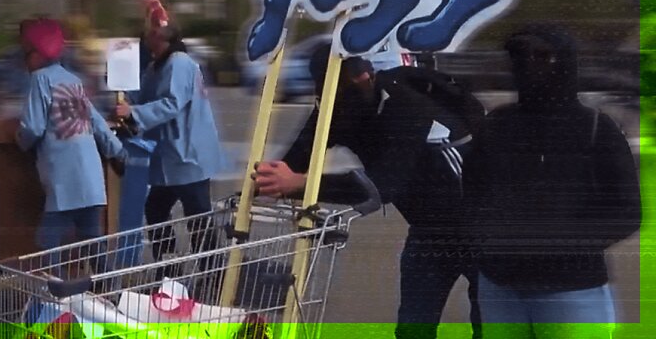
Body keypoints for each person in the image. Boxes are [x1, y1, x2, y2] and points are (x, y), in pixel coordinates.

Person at [255, 43, 486, 339]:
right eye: (348, 80)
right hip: (427, 231)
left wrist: (298, 184)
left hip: (478, 230)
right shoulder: (334, 108)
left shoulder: (406, 105)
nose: (363, 79)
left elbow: (380, 187)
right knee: (413, 329)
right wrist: (267, 178)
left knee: (488, 324)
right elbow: (297, 159)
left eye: (363, 74)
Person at [467, 27, 640, 339]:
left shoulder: (597, 128)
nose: (529, 64)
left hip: (572, 288)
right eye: (520, 56)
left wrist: (553, 244)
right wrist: (488, 241)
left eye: (542, 56)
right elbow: (473, 194)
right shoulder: (495, 125)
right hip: (500, 285)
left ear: (564, 62)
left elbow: (626, 212)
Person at [16, 18, 125, 260]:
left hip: (64, 182)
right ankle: (111, 293)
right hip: (91, 180)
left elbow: (32, 128)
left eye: (26, 52)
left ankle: (53, 294)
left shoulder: (40, 79)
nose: (24, 61)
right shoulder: (74, 81)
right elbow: (96, 121)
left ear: (36, 54)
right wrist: (117, 151)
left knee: (48, 242)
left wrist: (20, 141)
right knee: (94, 246)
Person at [114, 22, 224, 262]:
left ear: (160, 38)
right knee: (157, 209)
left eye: (149, 34)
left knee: (197, 216)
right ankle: (169, 263)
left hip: (186, 154)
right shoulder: (158, 66)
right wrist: (124, 98)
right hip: (172, 156)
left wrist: (133, 112)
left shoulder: (178, 63)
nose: (145, 38)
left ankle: (212, 272)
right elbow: (144, 96)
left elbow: (172, 102)